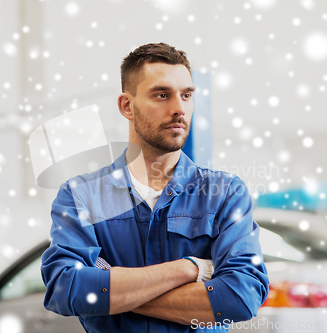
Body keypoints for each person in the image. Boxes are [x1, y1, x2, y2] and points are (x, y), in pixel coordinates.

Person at [41, 42, 269, 332]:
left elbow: (240, 297)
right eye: (162, 95)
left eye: (187, 95)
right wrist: (190, 268)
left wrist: (113, 289)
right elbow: (65, 289)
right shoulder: (81, 195)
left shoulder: (224, 193)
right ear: (127, 106)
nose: (179, 109)